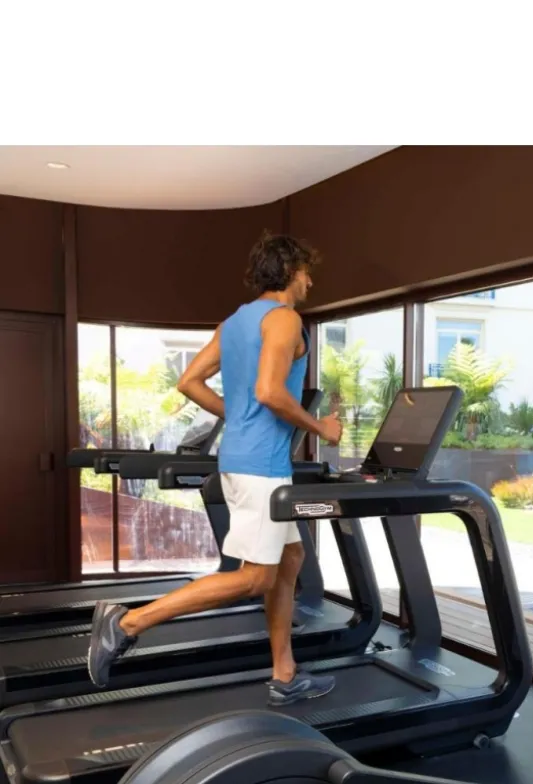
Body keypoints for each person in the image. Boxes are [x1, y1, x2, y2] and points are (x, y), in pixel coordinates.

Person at [87, 232, 344, 706]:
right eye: (307, 271)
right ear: (291, 270)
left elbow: (190, 381)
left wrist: (238, 416)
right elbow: (270, 391)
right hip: (262, 467)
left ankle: (285, 674)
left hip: (240, 459)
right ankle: (126, 623)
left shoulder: (234, 323)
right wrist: (321, 428)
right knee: (255, 577)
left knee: (290, 558)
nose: (310, 281)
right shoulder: (285, 319)